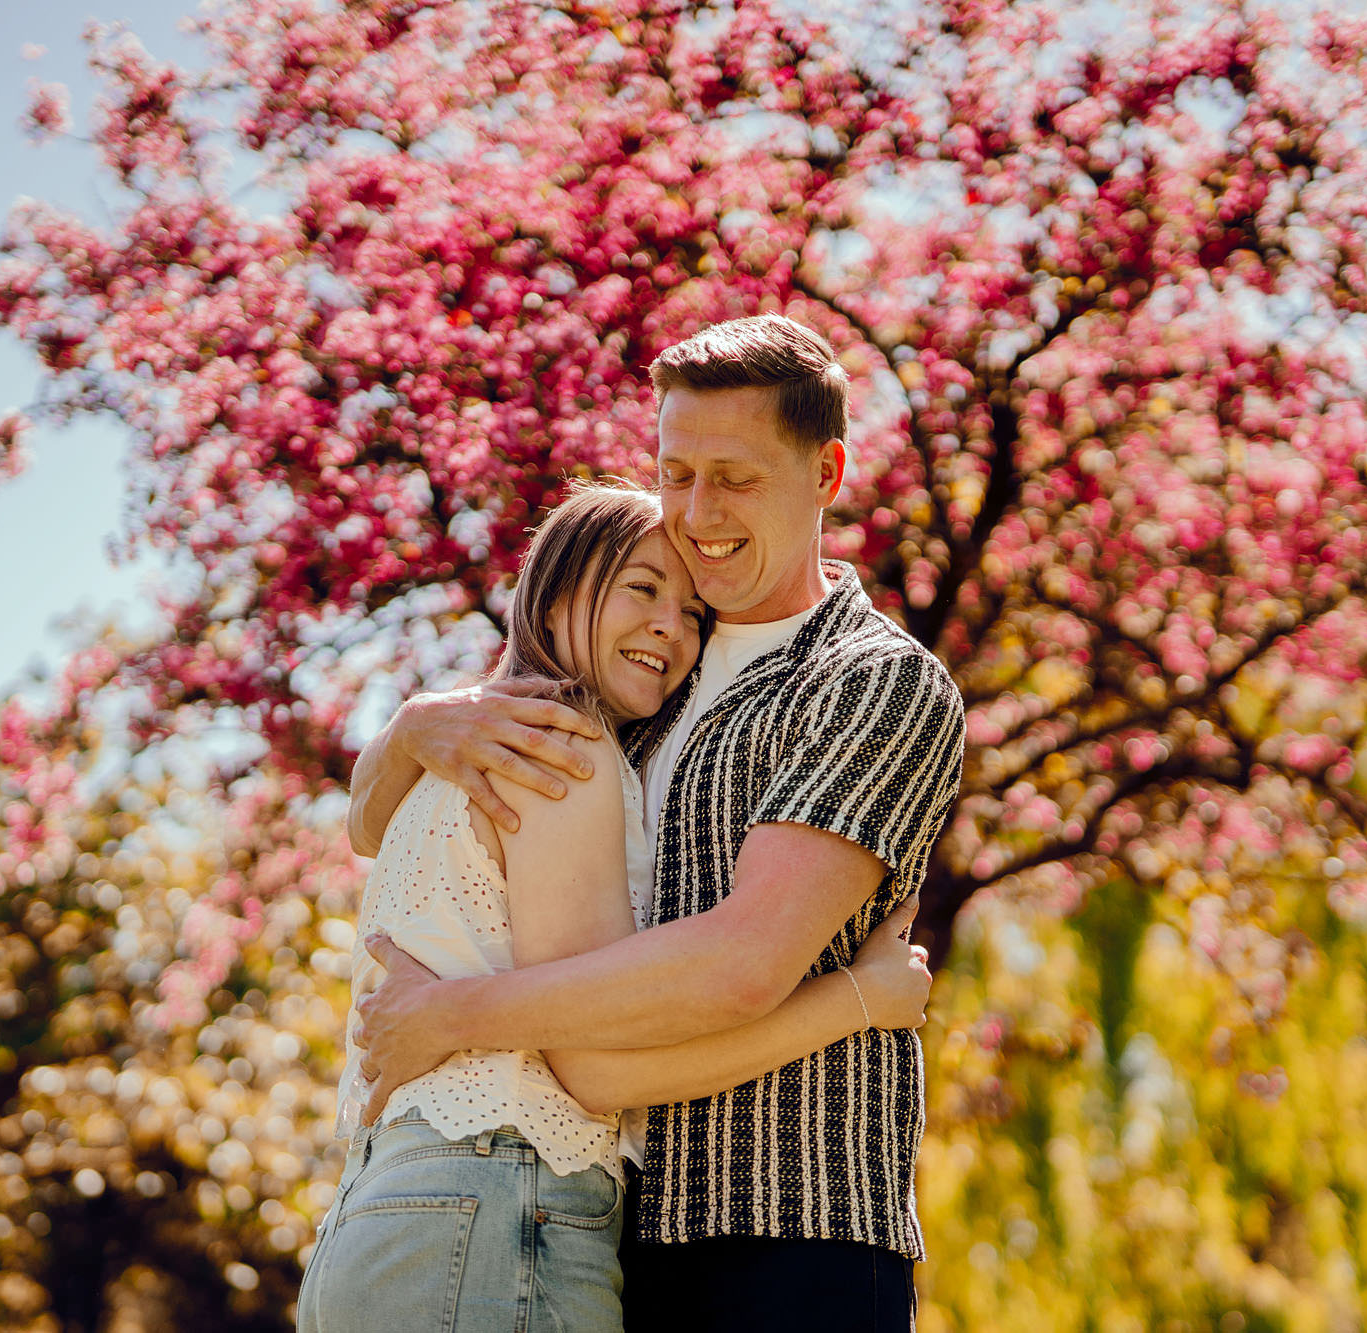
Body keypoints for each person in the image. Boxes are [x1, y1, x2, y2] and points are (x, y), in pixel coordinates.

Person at [345, 316, 969, 1332]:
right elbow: (376, 828)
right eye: (675, 473)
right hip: (603, 1229)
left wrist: (457, 1015)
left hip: (786, 1229)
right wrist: (416, 727)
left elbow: (740, 961)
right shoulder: (644, 667)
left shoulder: (871, 680)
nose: (695, 511)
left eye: (732, 476)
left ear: (826, 472)